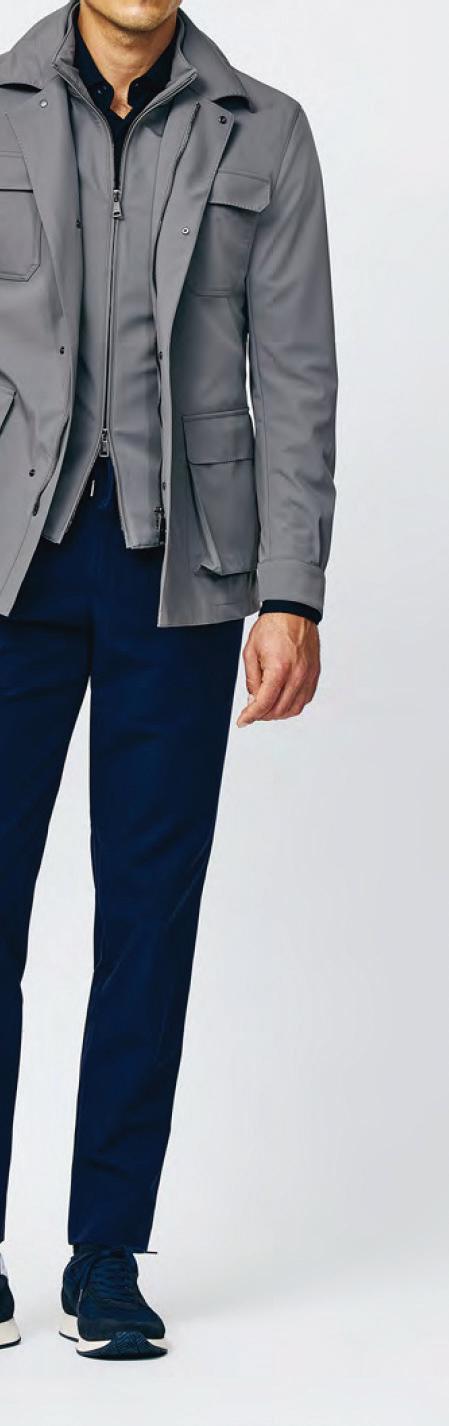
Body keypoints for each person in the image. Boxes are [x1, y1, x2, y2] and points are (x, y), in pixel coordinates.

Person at [0, 0, 337, 1360]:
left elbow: (297, 374)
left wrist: (292, 590)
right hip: (12, 567)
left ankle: (104, 1254)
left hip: (181, 572)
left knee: (148, 920)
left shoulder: (268, 133)